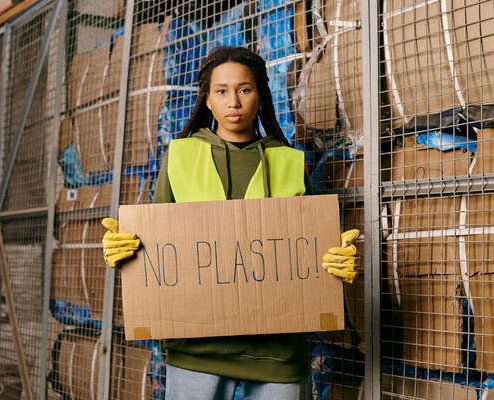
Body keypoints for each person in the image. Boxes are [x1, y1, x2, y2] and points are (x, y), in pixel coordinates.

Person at [101, 46, 360, 400]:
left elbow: (313, 249)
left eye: (244, 89)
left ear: (260, 96)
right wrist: (127, 250)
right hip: (196, 353)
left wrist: (338, 261)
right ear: (207, 99)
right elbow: (157, 243)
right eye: (221, 91)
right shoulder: (180, 157)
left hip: (278, 354)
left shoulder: (289, 163)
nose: (233, 102)